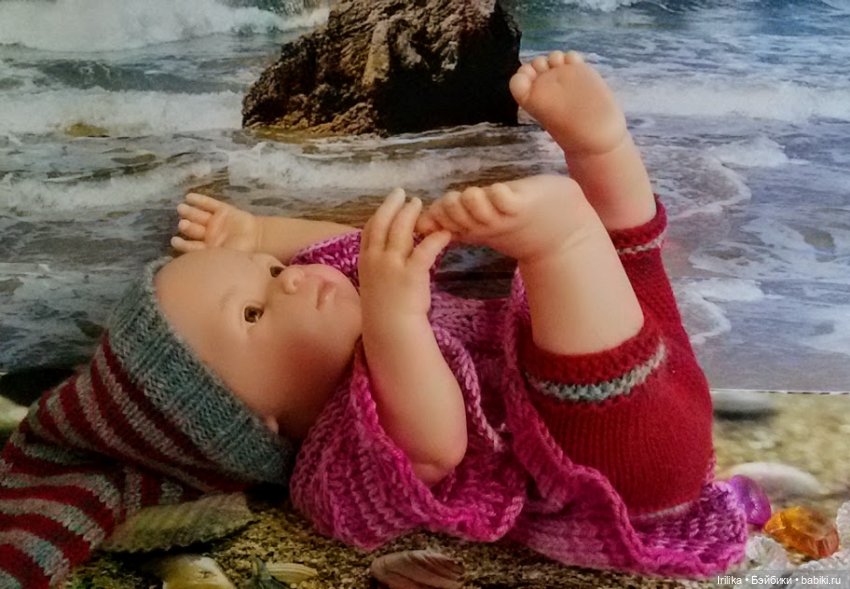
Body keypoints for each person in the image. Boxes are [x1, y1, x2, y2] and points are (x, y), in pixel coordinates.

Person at [0, 51, 746, 588]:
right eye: (254, 311)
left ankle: (600, 147)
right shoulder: (332, 468)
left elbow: (341, 248)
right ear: (252, 419)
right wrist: (395, 322)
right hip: (624, 473)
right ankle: (566, 238)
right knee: (587, 313)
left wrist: (257, 233)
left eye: (271, 274)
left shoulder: (341, 304)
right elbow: (437, 447)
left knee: (631, 257)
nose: (293, 279)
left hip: (645, 357)